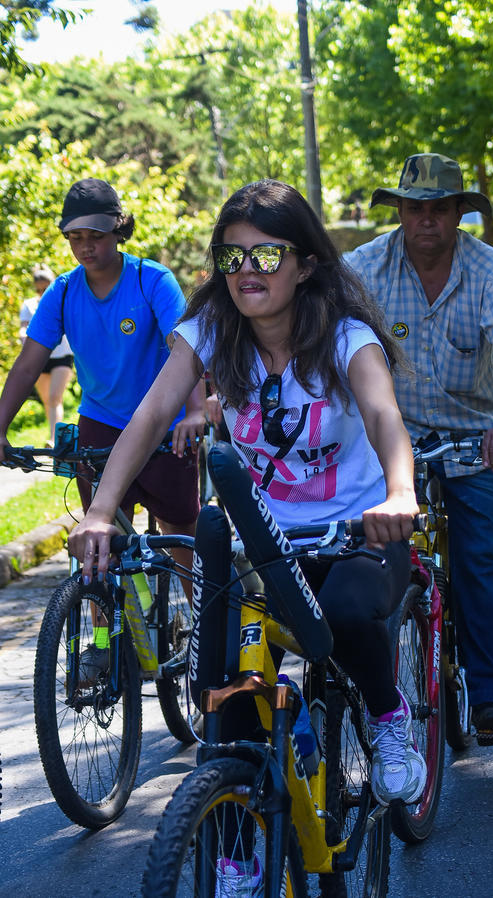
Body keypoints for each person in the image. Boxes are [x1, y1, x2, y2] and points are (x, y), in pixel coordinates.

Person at [69, 178, 426, 889]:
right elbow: (147, 419)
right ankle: (238, 850)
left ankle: (388, 714)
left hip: (352, 534)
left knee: (354, 614)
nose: (248, 273)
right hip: (253, 546)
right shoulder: (210, 334)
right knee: (228, 697)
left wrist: (399, 493)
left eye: (267, 256)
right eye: (232, 260)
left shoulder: (347, 338)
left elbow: (385, 417)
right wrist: (102, 510)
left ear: (306, 264)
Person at [345, 152, 493, 742]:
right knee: (364, 547)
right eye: (415, 208)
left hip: (475, 433)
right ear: (400, 211)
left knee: (481, 554)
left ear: (459, 213)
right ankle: (367, 687)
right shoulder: (364, 267)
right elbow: (318, 324)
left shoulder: (491, 270)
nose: (426, 219)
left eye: (440, 208)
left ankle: (487, 694)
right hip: (391, 434)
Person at [0, 178, 204, 672]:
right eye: (74, 237)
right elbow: (29, 363)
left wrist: (196, 411)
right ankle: (100, 640)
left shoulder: (151, 280)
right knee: (99, 541)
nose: (85, 245)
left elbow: (188, 348)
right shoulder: (64, 291)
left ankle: (204, 632)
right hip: (100, 426)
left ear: (118, 228)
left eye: (94, 233)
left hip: (164, 424)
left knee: (180, 532)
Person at [19, 265, 74, 446]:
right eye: (39, 289)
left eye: (46, 287)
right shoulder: (29, 305)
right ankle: (53, 432)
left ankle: (54, 439)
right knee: (46, 400)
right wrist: (22, 336)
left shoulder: (64, 300)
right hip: (41, 359)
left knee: (54, 398)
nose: (42, 292)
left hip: (63, 356)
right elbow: (24, 326)